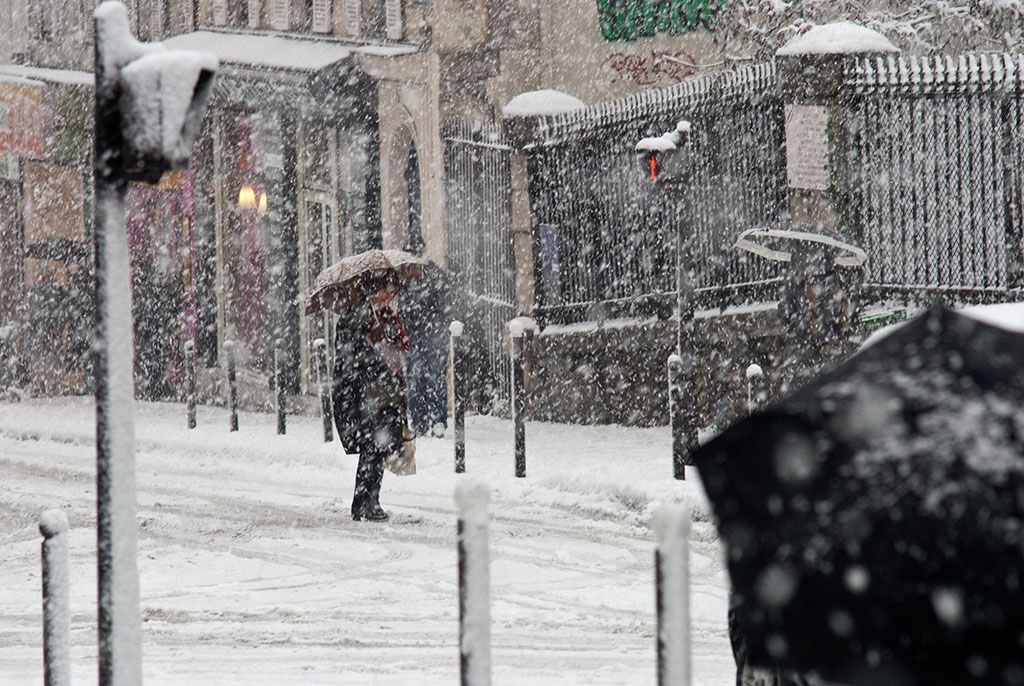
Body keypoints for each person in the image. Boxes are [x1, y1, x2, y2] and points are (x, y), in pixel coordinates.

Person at [332, 270, 410, 522]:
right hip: (361, 393)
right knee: (372, 446)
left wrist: (389, 346)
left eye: (393, 293)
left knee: (380, 446)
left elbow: (397, 349)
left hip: (384, 391)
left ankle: (369, 500)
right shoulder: (354, 317)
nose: (389, 297)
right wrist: (369, 346)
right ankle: (364, 502)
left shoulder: (387, 318)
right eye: (386, 291)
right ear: (373, 291)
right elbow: (348, 356)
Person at [400, 260, 455, 437]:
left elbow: (403, 309)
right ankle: (432, 419)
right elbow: (446, 306)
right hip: (429, 333)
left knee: (420, 378)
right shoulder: (432, 275)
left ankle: (422, 420)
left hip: (425, 333)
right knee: (432, 376)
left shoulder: (408, 277)